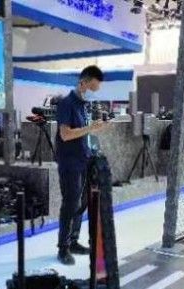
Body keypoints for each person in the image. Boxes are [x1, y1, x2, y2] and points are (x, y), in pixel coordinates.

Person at [54, 65, 107, 266]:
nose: (95, 91)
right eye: (93, 87)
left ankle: (73, 241)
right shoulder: (67, 104)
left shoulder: (83, 106)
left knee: (81, 203)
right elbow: (65, 134)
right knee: (70, 204)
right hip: (69, 163)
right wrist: (90, 128)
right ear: (84, 82)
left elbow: (82, 134)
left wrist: (93, 131)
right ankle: (63, 248)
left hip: (82, 160)